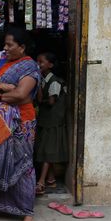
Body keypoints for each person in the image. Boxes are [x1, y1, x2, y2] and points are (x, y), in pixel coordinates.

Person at [0, 28, 41, 221]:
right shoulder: (3, 62)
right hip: (0, 121)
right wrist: (4, 87)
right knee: (2, 160)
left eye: (9, 45)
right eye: (4, 44)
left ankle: (27, 213)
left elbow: (22, 95)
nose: (5, 48)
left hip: (21, 122)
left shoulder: (30, 66)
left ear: (22, 48)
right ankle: (4, 206)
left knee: (23, 165)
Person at [34, 52, 69, 196]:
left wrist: (38, 100)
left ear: (50, 65)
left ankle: (41, 182)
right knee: (45, 150)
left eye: (41, 62)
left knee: (48, 152)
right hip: (46, 121)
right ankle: (51, 179)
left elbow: (51, 102)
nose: (38, 65)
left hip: (53, 122)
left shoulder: (54, 81)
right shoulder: (42, 79)